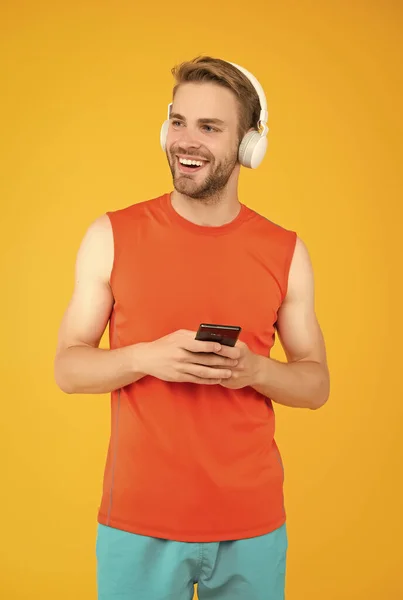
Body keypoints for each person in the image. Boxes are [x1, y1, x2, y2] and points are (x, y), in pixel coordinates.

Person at [54, 55, 330, 600]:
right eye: (178, 121)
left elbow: (315, 384)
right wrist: (142, 357)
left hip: (252, 524)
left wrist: (253, 370)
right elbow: (68, 367)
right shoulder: (111, 235)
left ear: (249, 145)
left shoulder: (285, 252)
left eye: (209, 127)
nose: (187, 140)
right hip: (136, 522)